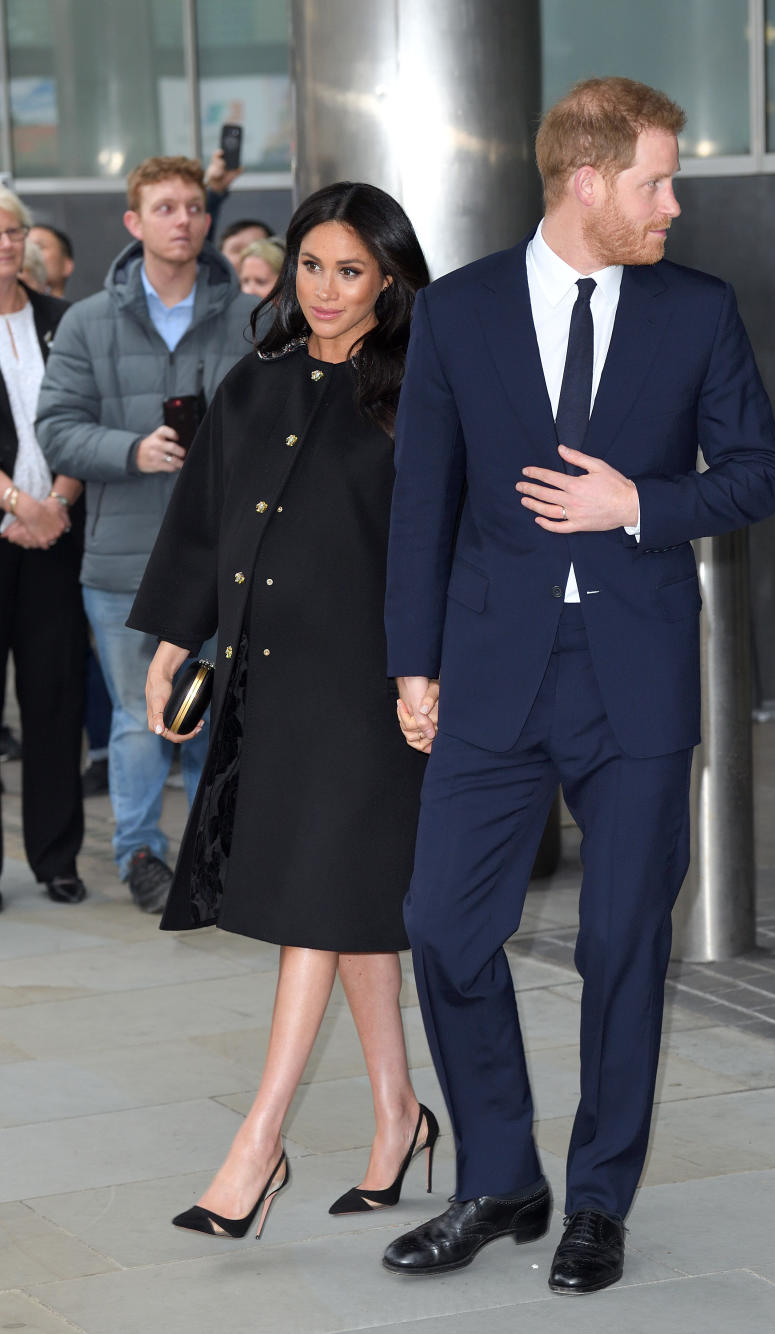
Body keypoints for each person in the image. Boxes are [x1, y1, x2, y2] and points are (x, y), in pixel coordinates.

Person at [382, 77, 775, 1295]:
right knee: (444, 928)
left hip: (637, 679)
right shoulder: (457, 314)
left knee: (621, 942)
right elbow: (423, 504)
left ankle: (599, 1198)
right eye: (657, 181)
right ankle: (502, 1176)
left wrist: (642, 505)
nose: (674, 203)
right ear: (587, 181)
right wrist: (413, 660)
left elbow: (761, 473)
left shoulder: (698, 309)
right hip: (493, 671)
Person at [126, 181, 437, 1239]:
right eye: (311, 266)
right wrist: (176, 637)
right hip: (275, 681)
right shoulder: (255, 383)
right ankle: (399, 1113)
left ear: (390, 277)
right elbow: (206, 520)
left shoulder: (420, 390)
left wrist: (433, 669)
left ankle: (257, 1145)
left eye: (352, 271)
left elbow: (451, 541)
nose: (327, 290)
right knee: (348, 910)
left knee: (316, 902)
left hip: (377, 691)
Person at [36, 156, 255, 914]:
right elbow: (56, 431)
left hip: (224, 559)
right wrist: (133, 451)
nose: (184, 220)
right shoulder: (88, 321)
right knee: (140, 717)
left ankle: (210, 853)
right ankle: (139, 855)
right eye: (165, 208)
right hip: (124, 559)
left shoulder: (248, 316)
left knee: (214, 711)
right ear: (134, 223)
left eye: (194, 206)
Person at [0, 186, 86, 911]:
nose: (5, 242)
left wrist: (55, 503)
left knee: (56, 697)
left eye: (12, 230)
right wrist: (14, 502)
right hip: (4, 523)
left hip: (57, 535)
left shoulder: (64, 320)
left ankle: (58, 858)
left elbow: (84, 416)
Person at [26, 225, 73, 298]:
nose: (28, 253)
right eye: (26, 247)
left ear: (66, 266)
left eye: (39, 246)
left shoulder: (80, 309)